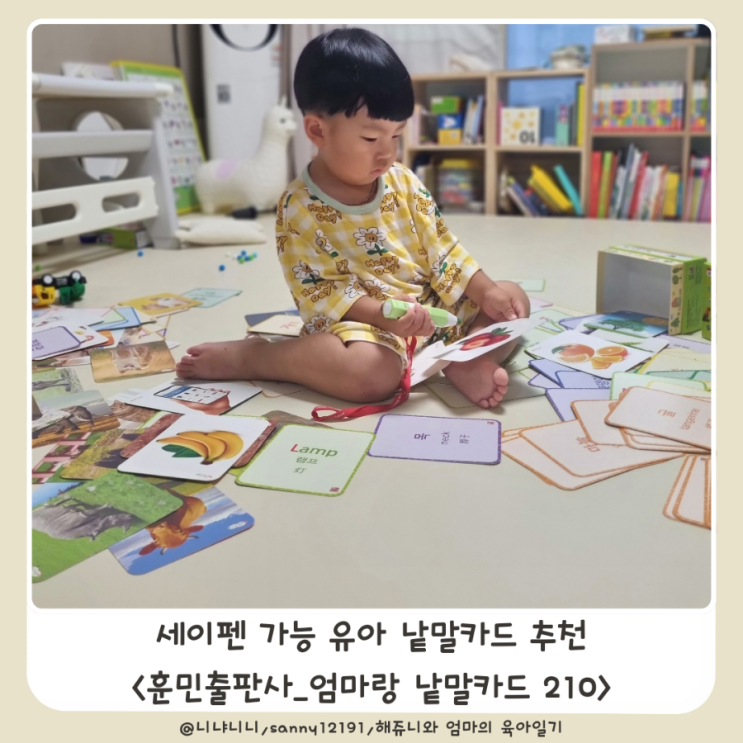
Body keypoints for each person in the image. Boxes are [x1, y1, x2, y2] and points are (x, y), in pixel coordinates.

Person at [176, 28, 530, 409]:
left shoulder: (403, 181)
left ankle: (469, 360)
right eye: (370, 139)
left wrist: (486, 292)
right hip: (366, 324)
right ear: (318, 130)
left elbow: (444, 250)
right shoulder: (299, 206)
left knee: (512, 298)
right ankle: (259, 356)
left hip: (434, 309)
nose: (387, 154)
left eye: (396, 136)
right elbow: (320, 290)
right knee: (369, 374)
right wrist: (383, 316)